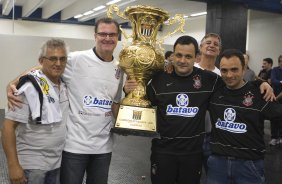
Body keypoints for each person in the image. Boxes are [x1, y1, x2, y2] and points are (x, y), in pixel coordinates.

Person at [124, 35, 273, 184]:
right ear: (172, 56)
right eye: (179, 55)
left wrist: (260, 83)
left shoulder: (209, 80)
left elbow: (234, 80)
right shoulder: (159, 79)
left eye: (188, 56)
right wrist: (129, 91)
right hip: (163, 152)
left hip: (193, 154)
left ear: (196, 57)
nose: (182, 60)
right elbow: (142, 101)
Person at [7, 17, 124, 184]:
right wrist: (13, 82)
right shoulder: (76, 59)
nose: (107, 38)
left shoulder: (120, 68)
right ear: (95, 36)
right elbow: (43, 67)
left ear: (118, 37)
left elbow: (115, 103)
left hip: (104, 148)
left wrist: (125, 123)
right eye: (102, 34)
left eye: (112, 34)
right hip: (74, 146)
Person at [207, 49, 282, 184]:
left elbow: (278, 113)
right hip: (217, 164)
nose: (229, 75)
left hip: (249, 165)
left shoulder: (259, 94)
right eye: (224, 70)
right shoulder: (214, 90)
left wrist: (262, 83)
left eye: (234, 69)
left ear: (244, 70)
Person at [2, 39, 69, 184]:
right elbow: (8, 128)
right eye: (52, 58)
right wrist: (13, 166)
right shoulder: (28, 87)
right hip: (31, 166)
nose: (58, 63)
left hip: (57, 164)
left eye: (62, 59)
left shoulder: (65, 85)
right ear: (41, 61)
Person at [194, 33, 221, 173]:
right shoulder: (189, 69)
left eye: (216, 44)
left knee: (213, 175)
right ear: (201, 47)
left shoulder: (222, 75)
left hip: (212, 134)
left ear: (219, 51)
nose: (212, 45)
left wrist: (261, 83)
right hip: (190, 132)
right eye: (208, 42)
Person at [269, 55, 282, 146]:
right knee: (274, 118)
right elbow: (273, 81)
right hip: (275, 98)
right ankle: (274, 138)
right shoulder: (274, 70)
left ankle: (280, 137)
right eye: (280, 61)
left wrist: (279, 82)